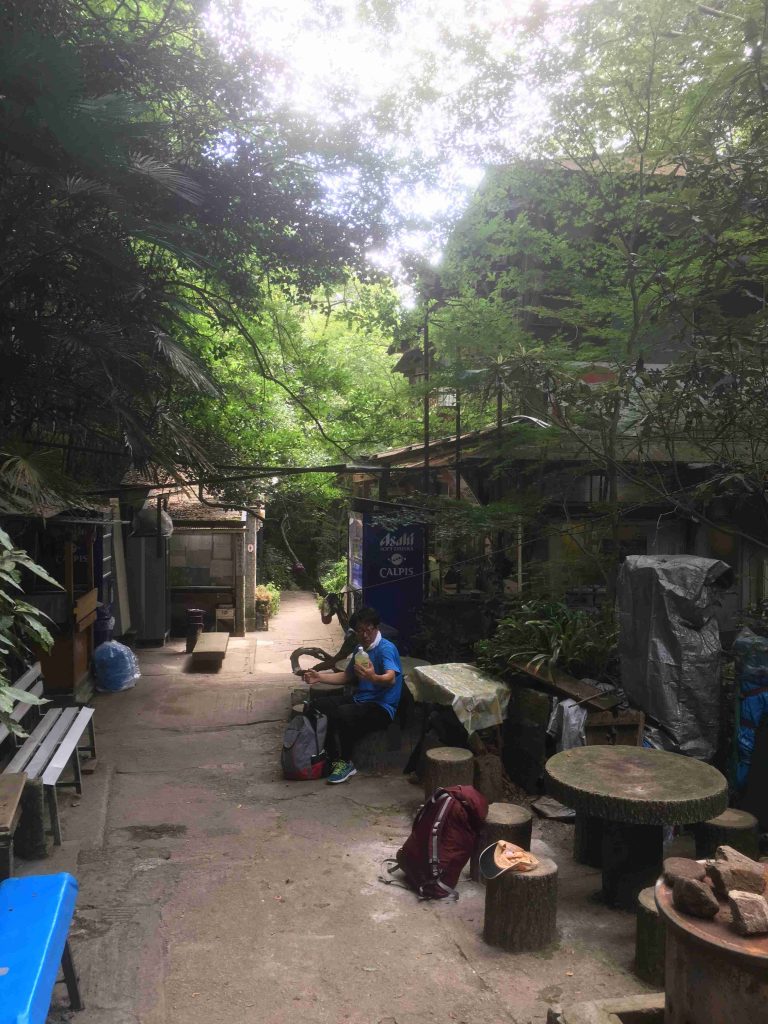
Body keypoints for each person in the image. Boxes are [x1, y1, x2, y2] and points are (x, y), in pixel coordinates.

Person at [303, 606, 403, 784]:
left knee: (343, 713)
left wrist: (373, 677)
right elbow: (347, 676)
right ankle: (331, 758)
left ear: (376, 628)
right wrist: (319, 677)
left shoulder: (386, 649)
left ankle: (346, 762)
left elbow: (390, 678)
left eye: (368, 629)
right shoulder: (359, 649)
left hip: (382, 708)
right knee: (318, 706)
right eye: (360, 630)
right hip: (361, 700)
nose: (364, 635)